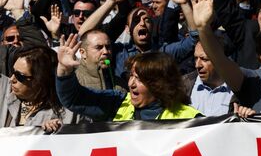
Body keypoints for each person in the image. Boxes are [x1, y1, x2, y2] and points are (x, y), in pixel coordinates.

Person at [56, 34, 201, 121]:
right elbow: (73, 99)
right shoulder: (119, 103)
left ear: (161, 83)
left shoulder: (190, 118)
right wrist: (64, 69)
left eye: (139, 78)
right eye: (131, 76)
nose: (131, 83)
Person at [0, 46, 79, 131]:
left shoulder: (68, 112)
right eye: (13, 72)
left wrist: (62, 130)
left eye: (19, 76)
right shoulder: (6, 96)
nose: (12, 79)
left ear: (41, 80)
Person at [183, 41, 232, 116]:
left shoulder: (237, 90)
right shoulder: (184, 86)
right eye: (196, 58)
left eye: (204, 59)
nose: (197, 65)